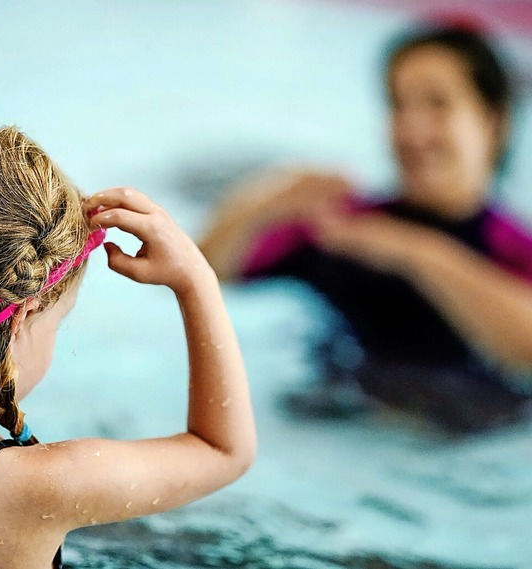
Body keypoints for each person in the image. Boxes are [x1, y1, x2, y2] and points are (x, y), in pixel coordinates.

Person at [0, 120, 256, 568]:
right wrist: (197, 281)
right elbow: (223, 451)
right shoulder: (37, 487)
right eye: (57, 323)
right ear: (22, 315)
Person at [199, 23, 532, 433]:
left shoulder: (513, 248)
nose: (412, 130)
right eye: (398, 105)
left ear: (492, 120)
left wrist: (414, 252)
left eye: (437, 104)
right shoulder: (348, 226)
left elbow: (526, 347)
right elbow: (206, 274)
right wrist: (261, 202)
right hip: (333, 422)